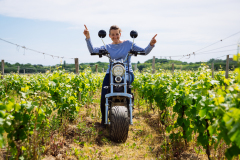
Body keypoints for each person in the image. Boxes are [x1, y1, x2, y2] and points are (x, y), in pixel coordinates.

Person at [83, 25, 157, 126]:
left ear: (120, 34)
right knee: (104, 93)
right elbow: (92, 50)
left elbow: (144, 51)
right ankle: (104, 120)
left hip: (127, 72)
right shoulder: (107, 47)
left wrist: (151, 44)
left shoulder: (128, 44)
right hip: (111, 73)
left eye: (117, 34)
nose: (115, 36)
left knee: (125, 83)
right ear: (109, 35)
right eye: (113, 35)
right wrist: (88, 37)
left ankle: (129, 108)